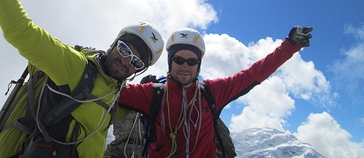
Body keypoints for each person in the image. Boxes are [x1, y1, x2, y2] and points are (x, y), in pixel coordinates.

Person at [0, 0, 164, 158]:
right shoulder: (74, 67)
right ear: (113, 44)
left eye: (136, 62)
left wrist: (146, 91)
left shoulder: (114, 92)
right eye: (124, 49)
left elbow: (108, 111)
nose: (125, 61)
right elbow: (20, 31)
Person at [118, 26, 313, 157]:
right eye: (178, 60)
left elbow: (254, 73)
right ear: (170, 62)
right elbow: (110, 90)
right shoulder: (153, 93)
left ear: (199, 65)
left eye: (192, 61)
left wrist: (290, 46)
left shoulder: (212, 91)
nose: (185, 66)